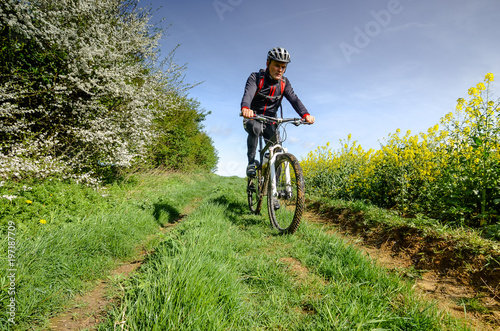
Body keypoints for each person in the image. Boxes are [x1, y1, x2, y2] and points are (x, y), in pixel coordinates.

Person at [240, 47, 315, 177]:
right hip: (254, 116)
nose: (280, 70)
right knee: (255, 128)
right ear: (268, 63)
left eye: (283, 67)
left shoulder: (284, 83)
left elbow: (294, 99)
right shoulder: (256, 78)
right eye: (277, 65)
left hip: (271, 120)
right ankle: (251, 163)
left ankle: (274, 186)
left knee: (277, 149)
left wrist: (305, 114)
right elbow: (248, 94)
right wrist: (246, 108)